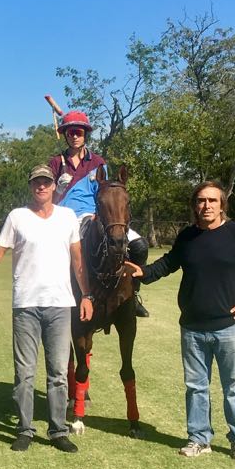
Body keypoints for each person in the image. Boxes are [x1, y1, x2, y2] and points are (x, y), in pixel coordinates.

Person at [125, 180, 235, 463]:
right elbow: (168, 263)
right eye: (201, 201)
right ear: (195, 205)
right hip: (192, 327)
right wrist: (143, 272)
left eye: (212, 201)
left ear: (222, 205)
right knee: (196, 387)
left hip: (230, 327)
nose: (206, 206)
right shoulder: (188, 236)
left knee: (234, 387)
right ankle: (199, 438)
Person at [0, 164, 93, 453]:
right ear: (31, 186)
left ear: (54, 186)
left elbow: (78, 260)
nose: (41, 187)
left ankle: (58, 431)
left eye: (46, 182)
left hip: (60, 305)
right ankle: (25, 429)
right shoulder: (17, 217)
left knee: (58, 373)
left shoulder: (68, 216)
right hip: (26, 305)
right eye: (36, 183)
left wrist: (86, 296)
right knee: (25, 373)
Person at [48, 110, 151, 317]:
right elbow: (45, 196)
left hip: (95, 215)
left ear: (85, 134)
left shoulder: (98, 162)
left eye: (78, 131)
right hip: (63, 218)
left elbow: (105, 192)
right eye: (70, 132)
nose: (74, 135)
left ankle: (134, 294)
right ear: (65, 135)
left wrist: (100, 215)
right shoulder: (56, 163)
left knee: (139, 245)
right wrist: (58, 189)